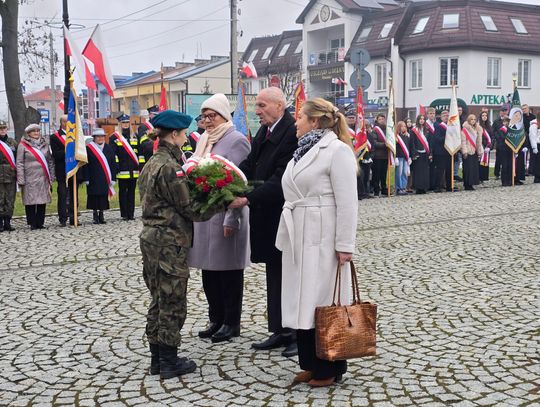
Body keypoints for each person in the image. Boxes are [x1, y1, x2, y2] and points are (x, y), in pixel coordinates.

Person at [275, 98, 358, 387]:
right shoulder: (301, 150)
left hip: (323, 235)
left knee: (324, 302)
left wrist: (345, 244)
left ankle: (329, 367)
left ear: (314, 121)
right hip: (300, 232)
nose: (295, 122)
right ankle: (311, 364)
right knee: (304, 300)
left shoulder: (337, 151)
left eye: (299, 117)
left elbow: (348, 201)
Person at [139, 109, 225, 380]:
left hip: (152, 239)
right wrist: (221, 202)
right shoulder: (170, 168)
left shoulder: (153, 162)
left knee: (158, 298)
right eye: (184, 133)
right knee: (172, 300)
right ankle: (169, 360)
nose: (187, 138)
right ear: (174, 134)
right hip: (169, 242)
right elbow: (190, 209)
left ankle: (157, 357)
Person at [228, 87, 298, 358]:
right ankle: (279, 329)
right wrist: (228, 178)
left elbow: (282, 179)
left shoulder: (290, 132)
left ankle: (295, 333)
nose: (256, 111)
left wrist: (248, 198)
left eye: (261, 105)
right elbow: (250, 164)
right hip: (267, 216)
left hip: (282, 215)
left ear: (279, 106)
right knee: (274, 275)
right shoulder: (266, 130)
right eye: (256, 105)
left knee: (289, 277)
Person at [188, 94, 251, 343]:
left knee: (228, 271)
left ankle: (231, 322)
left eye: (211, 116)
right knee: (209, 271)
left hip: (226, 214)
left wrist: (232, 218)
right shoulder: (204, 139)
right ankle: (215, 318)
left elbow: (240, 184)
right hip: (205, 216)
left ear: (224, 115)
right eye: (204, 116)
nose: (207, 121)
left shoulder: (236, 140)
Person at [16, 124, 55, 230]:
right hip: (29, 177)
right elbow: (19, 163)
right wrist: (21, 179)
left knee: (42, 200)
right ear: (29, 133)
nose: (36, 133)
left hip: (43, 177)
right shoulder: (23, 145)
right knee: (30, 201)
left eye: (38, 131)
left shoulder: (45, 144)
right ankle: (32, 223)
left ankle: (40, 223)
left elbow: (50, 161)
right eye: (34, 131)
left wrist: (51, 176)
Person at [82, 128, 117, 224]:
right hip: (93, 177)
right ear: (94, 138)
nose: (100, 138)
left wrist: (113, 178)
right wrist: (86, 178)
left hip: (105, 177)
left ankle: (101, 214)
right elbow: (85, 165)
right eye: (98, 136)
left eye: (102, 136)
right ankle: (95, 215)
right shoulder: (89, 148)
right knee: (94, 196)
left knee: (103, 197)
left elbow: (113, 164)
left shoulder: (108, 148)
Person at [110, 114, 139, 220]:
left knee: (131, 192)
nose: (125, 124)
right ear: (120, 124)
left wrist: (139, 166)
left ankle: (131, 214)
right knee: (123, 192)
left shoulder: (135, 136)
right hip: (122, 170)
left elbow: (138, 152)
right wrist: (116, 166)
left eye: (127, 122)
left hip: (133, 170)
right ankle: (124, 214)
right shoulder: (114, 137)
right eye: (123, 123)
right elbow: (113, 154)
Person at [50, 115, 69, 226]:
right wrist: (68, 150)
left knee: (73, 194)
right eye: (65, 122)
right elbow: (56, 155)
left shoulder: (76, 136)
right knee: (62, 194)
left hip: (74, 170)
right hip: (62, 170)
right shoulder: (54, 137)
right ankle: (63, 218)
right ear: (61, 123)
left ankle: (73, 216)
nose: (68, 124)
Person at [0, 120, 17, 232]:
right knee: (0, 199)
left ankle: (7, 222)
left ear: (7, 129)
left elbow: (17, 157)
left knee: (10, 199)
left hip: (11, 175)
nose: (2, 130)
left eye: (4, 128)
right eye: (0, 128)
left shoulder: (12, 142)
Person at [461, 114, 483, 191]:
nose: (473, 121)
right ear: (468, 120)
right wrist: (464, 151)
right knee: (467, 169)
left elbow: (478, 141)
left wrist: (479, 151)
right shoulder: (465, 130)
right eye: (471, 119)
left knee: (473, 168)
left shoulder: (477, 129)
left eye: (474, 119)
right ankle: (467, 184)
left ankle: (472, 183)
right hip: (468, 151)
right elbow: (463, 141)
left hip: (474, 151)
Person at [432, 110, 453, 192]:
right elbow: (437, 139)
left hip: (449, 151)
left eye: (447, 116)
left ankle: (449, 186)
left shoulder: (451, 126)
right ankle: (437, 186)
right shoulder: (439, 126)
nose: (446, 117)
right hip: (441, 152)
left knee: (449, 169)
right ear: (441, 117)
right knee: (440, 170)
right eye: (444, 116)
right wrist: (446, 137)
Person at [410, 115, 430, 194]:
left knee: (425, 171)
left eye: (423, 119)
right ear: (418, 120)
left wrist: (430, 153)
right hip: (418, 153)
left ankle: (424, 187)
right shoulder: (414, 130)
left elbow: (429, 142)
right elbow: (412, 143)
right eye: (420, 119)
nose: (422, 120)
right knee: (418, 171)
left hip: (425, 153)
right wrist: (414, 153)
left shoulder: (426, 130)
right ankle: (418, 188)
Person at [371, 113, 389, 196]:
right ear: (377, 120)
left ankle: (384, 189)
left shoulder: (387, 129)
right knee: (376, 174)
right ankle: (376, 190)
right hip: (377, 156)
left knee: (384, 174)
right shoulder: (375, 130)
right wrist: (384, 144)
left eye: (383, 119)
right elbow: (374, 143)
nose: (381, 121)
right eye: (380, 119)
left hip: (385, 155)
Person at [395, 121, 411, 195]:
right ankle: (399, 188)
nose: (404, 128)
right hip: (399, 157)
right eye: (402, 126)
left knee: (404, 173)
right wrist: (395, 157)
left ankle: (404, 187)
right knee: (399, 173)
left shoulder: (407, 136)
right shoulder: (396, 136)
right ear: (399, 127)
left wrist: (409, 157)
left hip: (405, 157)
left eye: (405, 126)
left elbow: (408, 147)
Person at [492, 106, 508, 179]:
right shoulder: (496, 121)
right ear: (500, 112)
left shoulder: (509, 120)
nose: (504, 112)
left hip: (508, 143)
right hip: (500, 143)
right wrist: (498, 137)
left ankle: (506, 173)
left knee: (506, 159)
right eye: (502, 111)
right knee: (498, 159)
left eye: (505, 111)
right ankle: (497, 174)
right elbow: (493, 131)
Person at [497, 116, 513, 187]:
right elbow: (503, 137)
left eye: (508, 122)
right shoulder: (501, 129)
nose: (506, 123)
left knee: (509, 165)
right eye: (505, 121)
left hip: (510, 149)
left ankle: (509, 180)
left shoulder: (511, 129)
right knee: (504, 166)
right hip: (503, 149)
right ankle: (504, 181)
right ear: (503, 122)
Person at [425, 108, 438, 190]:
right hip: (427, 148)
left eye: (433, 113)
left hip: (436, 148)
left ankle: (433, 185)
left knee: (434, 168)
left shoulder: (436, 124)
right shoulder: (425, 125)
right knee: (427, 168)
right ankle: (428, 185)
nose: (432, 115)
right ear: (427, 115)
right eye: (430, 113)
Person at [478, 111, 493, 182]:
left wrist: (489, 147)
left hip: (487, 147)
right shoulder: (478, 126)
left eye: (486, 115)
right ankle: (479, 177)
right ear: (480, 117)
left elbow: (492, 137)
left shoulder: (489, 126)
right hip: (480, 147)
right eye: (483, 115)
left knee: (486, 162)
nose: (484, 117)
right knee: (479, 162)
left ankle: (485, 177)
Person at [529, 117, 540, 183]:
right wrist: (534, 147)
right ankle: (537, 178)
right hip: (537, 145)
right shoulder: (534, 124)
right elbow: (532, 136)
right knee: (537, 163)